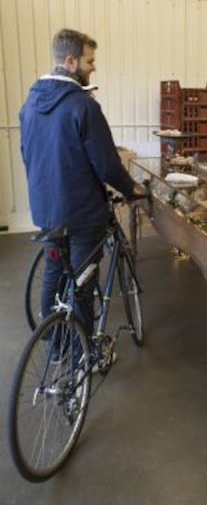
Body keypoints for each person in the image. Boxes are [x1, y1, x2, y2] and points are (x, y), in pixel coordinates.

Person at [20, 28, 143, 340]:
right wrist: (131, 189)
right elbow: (106, 165)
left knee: (54, 275)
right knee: (82, 286)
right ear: (71, 61)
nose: (94, 67)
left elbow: (28, 154)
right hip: (81, 214)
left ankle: (54, 346)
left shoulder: (30, 104)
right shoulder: (83, 106)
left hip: (46, 209)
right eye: (90, 61)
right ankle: (80, 361)